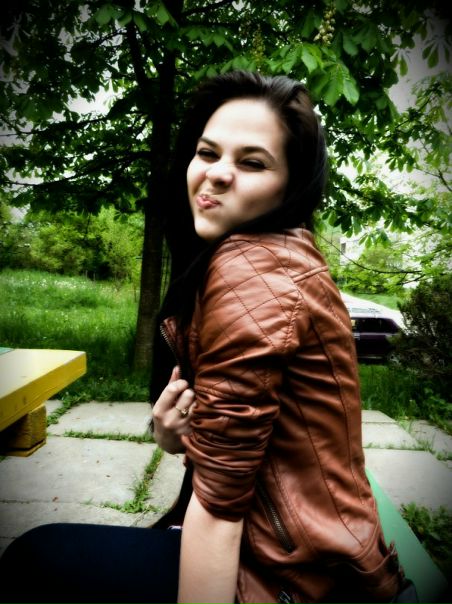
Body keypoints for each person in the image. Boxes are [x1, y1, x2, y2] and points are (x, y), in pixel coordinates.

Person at [0, 70, 416, 604]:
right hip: (305, 554)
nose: (216, 174)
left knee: (36, 560)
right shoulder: (272, 255)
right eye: (207, 153)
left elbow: (220, 508)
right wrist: (177, 436)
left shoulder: (254, 277)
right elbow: (254, 443)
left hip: (292, 581)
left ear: (290, 185)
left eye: (252, 162)